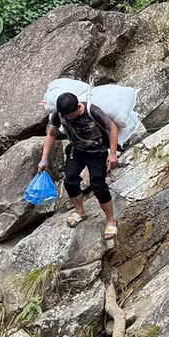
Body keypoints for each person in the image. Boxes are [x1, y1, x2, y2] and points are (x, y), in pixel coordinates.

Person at [38, 90, 119, 248]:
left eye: (71, 115)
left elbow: (112, 128)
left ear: (78, 107)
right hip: (77, 150)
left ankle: (110, 219)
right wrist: (44, 159)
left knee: (98, 185)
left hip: (97, 152)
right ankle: (80, 211)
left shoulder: (92, 111)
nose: (68, 119)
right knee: (70, 181)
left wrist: (113, 154)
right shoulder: (59, 114)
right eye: (66, 116)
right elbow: (51, 134)